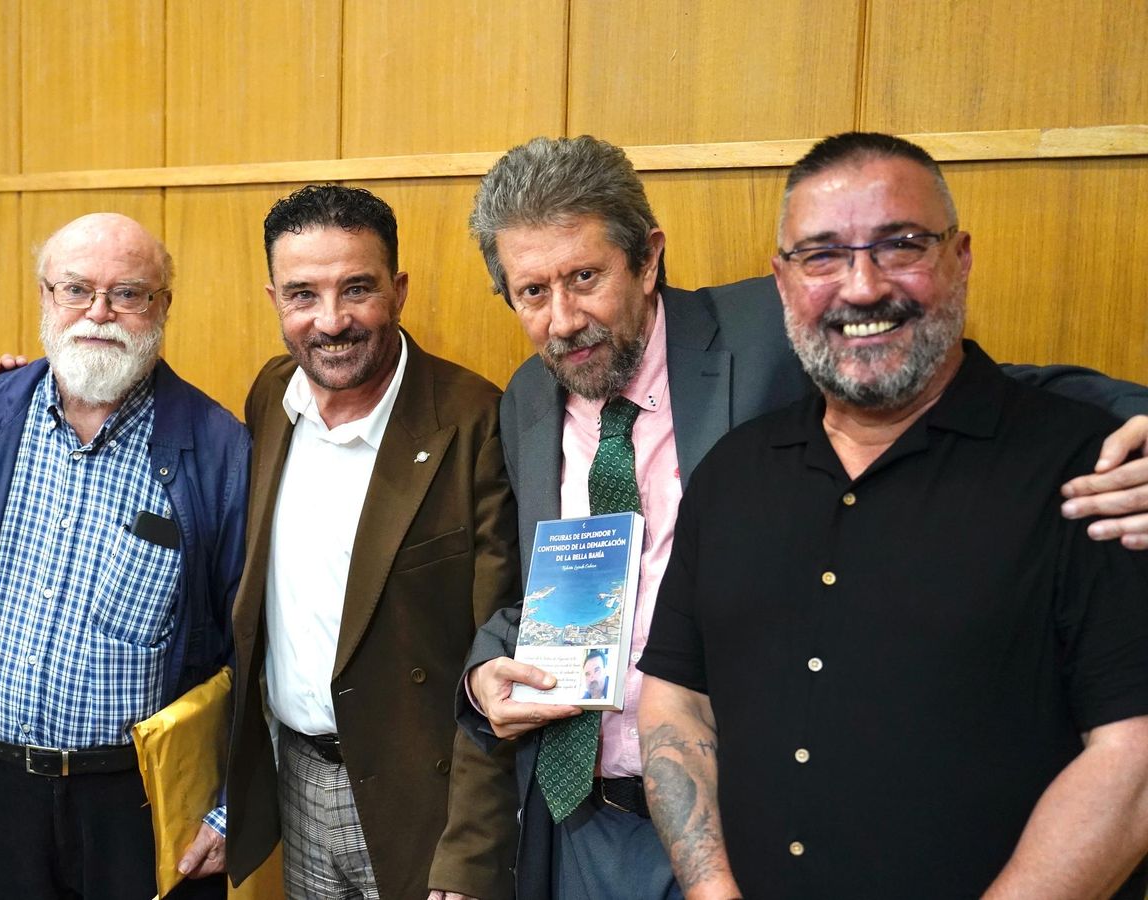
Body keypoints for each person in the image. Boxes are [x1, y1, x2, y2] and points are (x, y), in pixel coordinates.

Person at [455, 134, 1148, 900]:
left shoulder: (768, 327)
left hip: (753, 817)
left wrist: (1136, 416)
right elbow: (534, 579)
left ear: (647, 260)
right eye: (531, 293)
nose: (562, 320)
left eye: (584, 278)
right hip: (586, 819)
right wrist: (486, 667)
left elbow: (945, 368)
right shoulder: (527, 397)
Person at [0, 213, 247, 899]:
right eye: (76, 289)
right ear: (45, 296)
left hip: (146, 804)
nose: (99, 314)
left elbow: (251, 652)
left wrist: (230, 806)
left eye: (128, 293)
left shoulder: (221, 451)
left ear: (163, 306)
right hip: (0, 792)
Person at [224, 185, 520, 900]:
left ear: (400, 289)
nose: (331, 321)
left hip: (426, 808)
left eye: (357, 288)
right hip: (297, 779)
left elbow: (504, 640)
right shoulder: (272, 397)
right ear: (273, 299)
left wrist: (469, 854)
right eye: (303, 295)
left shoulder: (476, 421)